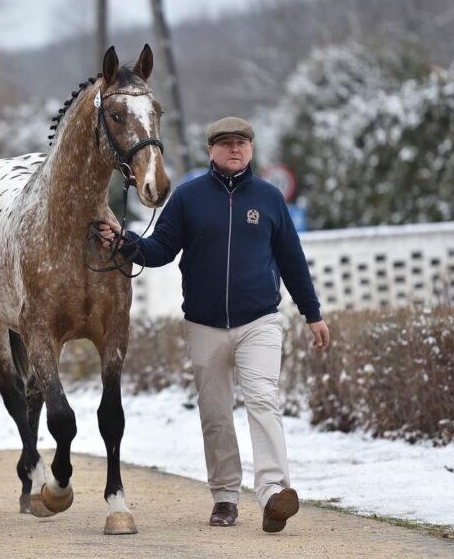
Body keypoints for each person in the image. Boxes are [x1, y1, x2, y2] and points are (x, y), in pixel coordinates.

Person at [98, 116, 329, 533]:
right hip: (204, 325)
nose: (234, 149)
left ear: (252, 150)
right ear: (212, 151)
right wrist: (124, 243)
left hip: (260, 319)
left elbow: (293, 261)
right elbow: (161, 250)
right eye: (225, 144)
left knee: (263, 400)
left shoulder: (270, 199)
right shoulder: (187, 198)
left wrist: (312, 314)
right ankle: (225, 497)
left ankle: (274, 493)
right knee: (216, 413)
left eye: (241, 143)